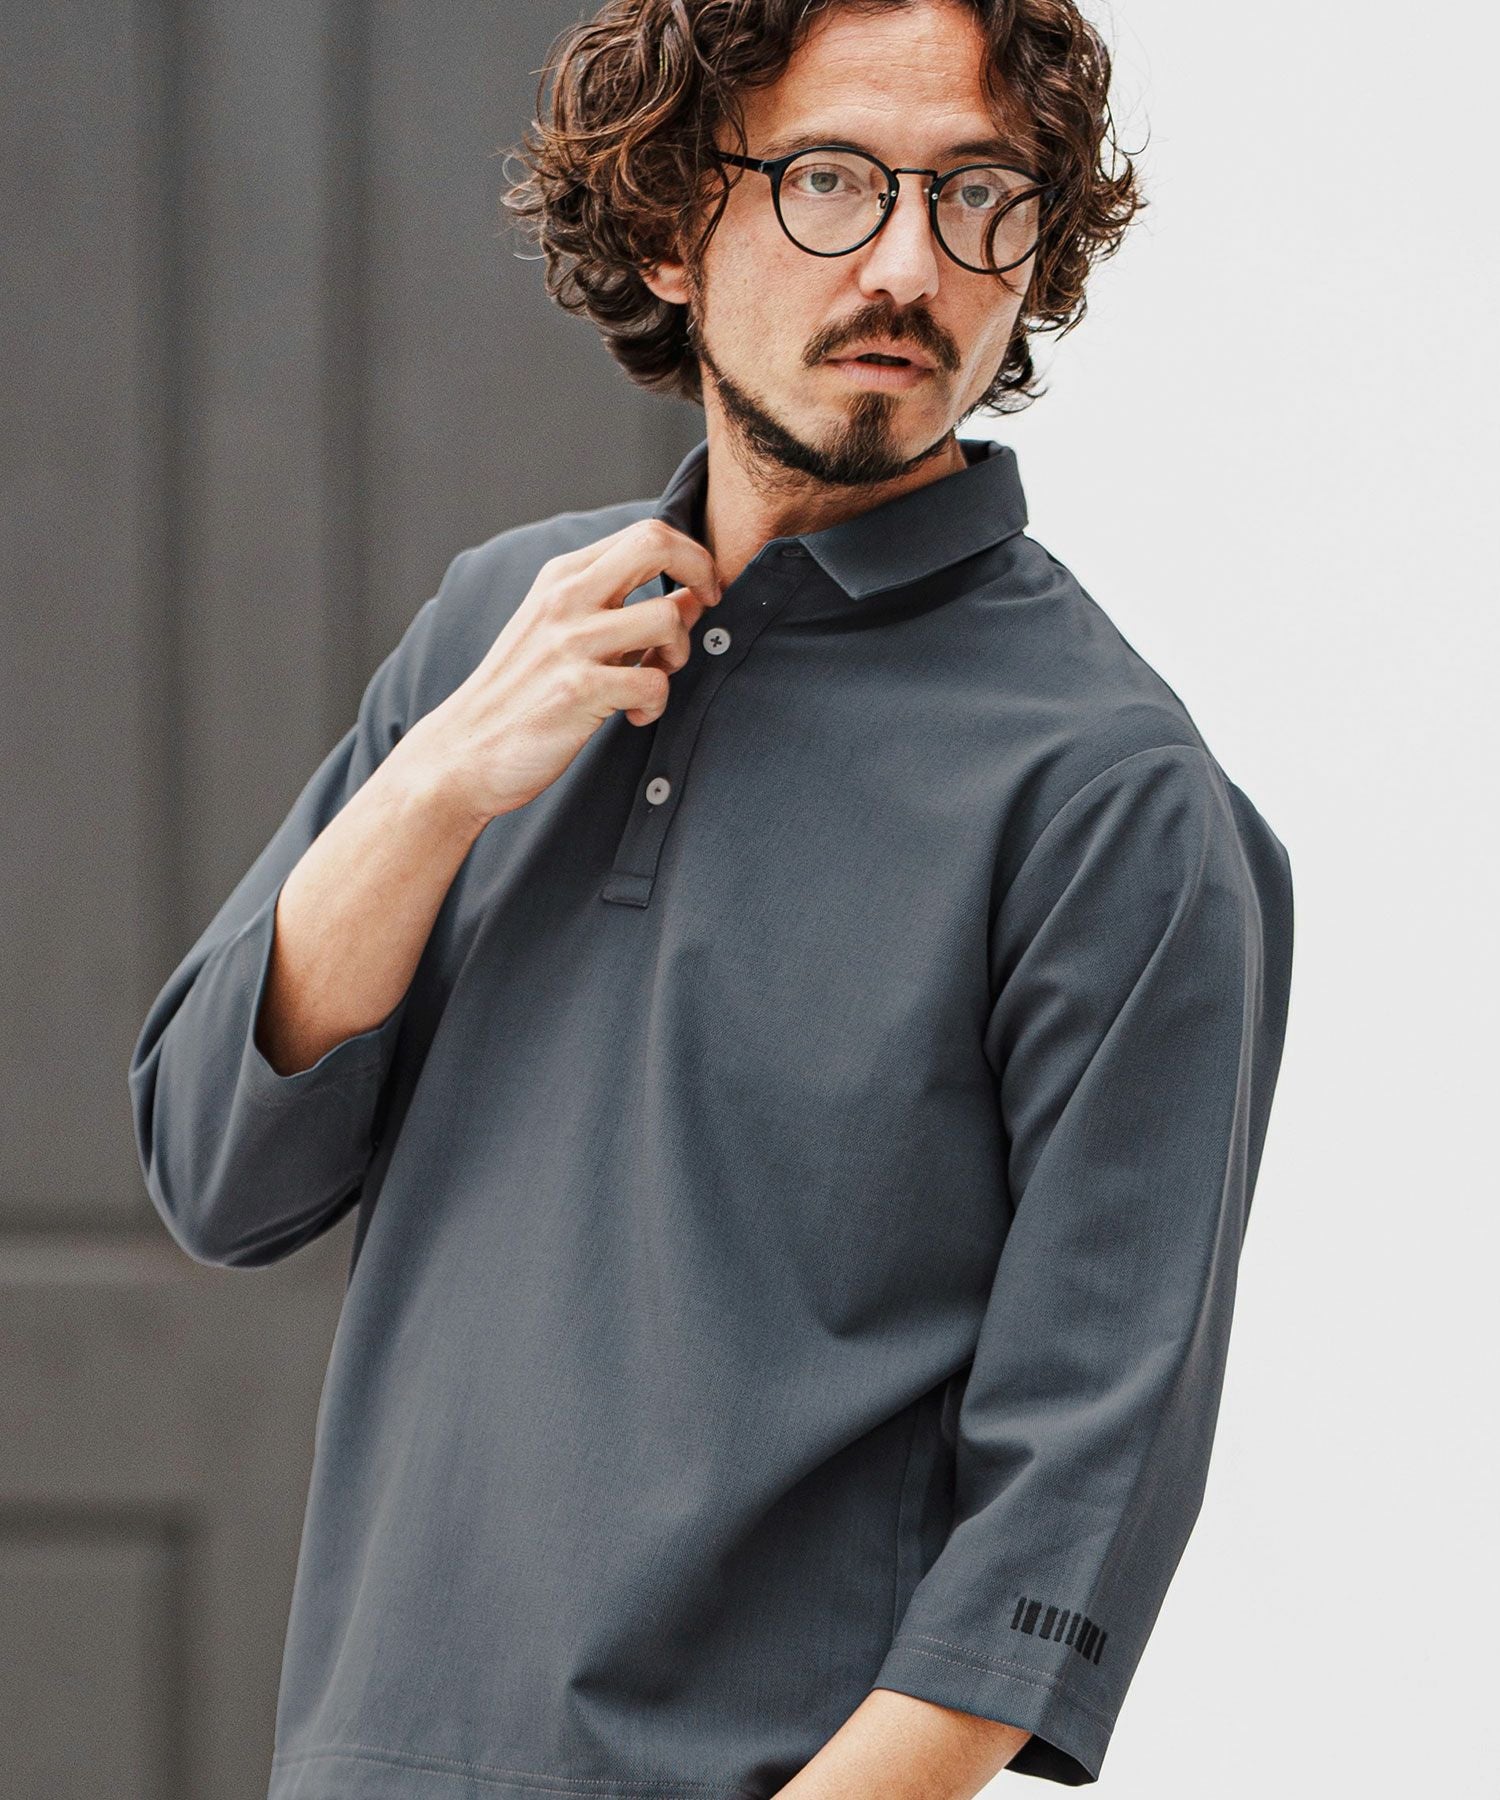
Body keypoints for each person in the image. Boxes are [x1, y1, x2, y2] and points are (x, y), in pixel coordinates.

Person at [127, 0, 1295, 1793]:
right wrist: (436, 783)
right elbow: (217, 1167)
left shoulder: (1116, 799)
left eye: (978, 193)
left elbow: (1063, 1534)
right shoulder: (502, 632)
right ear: (674, 222)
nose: (908, 265)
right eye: (831, 179)